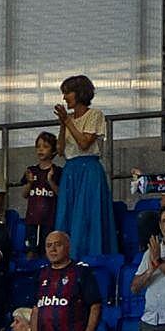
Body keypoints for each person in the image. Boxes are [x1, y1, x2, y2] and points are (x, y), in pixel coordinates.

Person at [52, 74, 114, 258]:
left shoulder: (95, 115)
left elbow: (85, 143)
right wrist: (63, 125)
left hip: (89, 169)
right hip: (71, 170)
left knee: (87, 214)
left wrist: (68, 122)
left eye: (67, 93)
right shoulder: (68, 119)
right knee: (67, 215)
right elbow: (61, 150)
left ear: (79, 93)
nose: (64, 98)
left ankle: (91, 256)